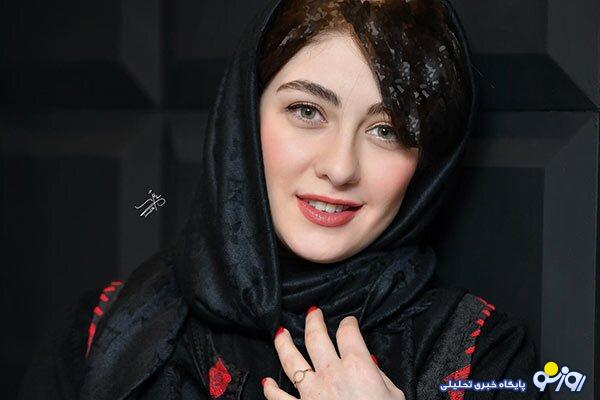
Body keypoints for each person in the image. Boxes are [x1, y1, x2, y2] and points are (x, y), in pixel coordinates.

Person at [18, 0, 546, 399]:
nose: (340, 167)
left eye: (387, 129)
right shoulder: (99, 330)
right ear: (244, 118)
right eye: (307, 111)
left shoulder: (484, 359)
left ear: (427, 161)